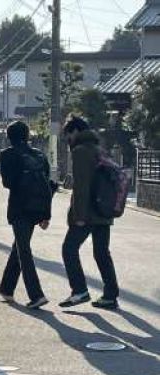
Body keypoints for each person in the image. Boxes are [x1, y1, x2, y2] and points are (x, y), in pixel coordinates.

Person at [59, 115, 119, 310]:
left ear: (75, 131)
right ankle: (110, 295)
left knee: (69, 249)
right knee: (102, 253)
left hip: (89, 213)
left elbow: (82, 186)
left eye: (67, 134)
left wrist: (79, 216)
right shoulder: (99, 149)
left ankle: (79, 290)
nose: (67, 139)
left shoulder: (80, 151)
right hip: (104, 210)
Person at [0, 121, 53, 309]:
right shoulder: (40, 155)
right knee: (19, 246)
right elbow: (48, 186)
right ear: (28, 136)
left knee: (24, 251)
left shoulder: (7, 155)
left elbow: (8, 182)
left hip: (20, 208)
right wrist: (46, 215)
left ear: (9, 137)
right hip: (38, 208)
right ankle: (6, 287)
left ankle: (36, 294)